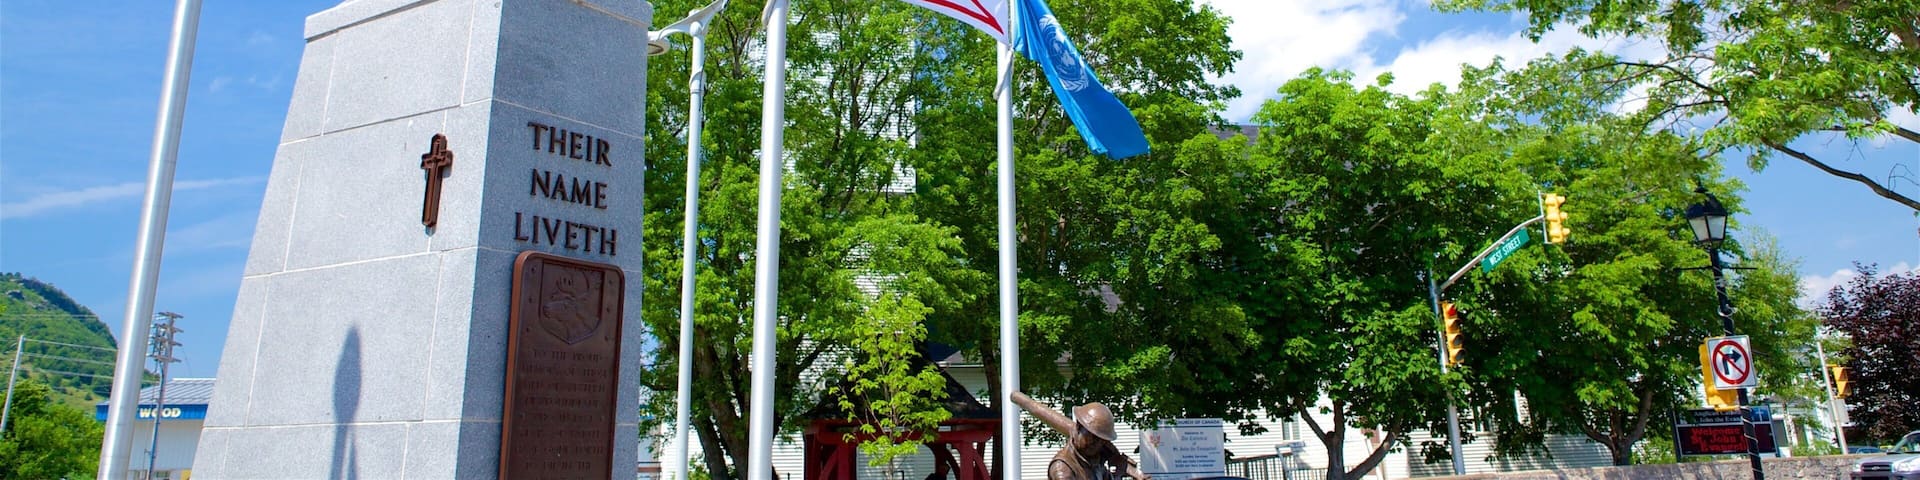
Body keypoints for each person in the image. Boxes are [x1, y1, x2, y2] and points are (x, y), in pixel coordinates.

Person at [1010, 392, 1150, 480]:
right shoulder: (1062, 469)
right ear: (1078, 428)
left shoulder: (1095, 458)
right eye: (1092, 437)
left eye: (1101, 441)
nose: (1096, 444)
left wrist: (1124, 471)